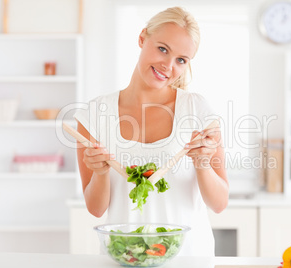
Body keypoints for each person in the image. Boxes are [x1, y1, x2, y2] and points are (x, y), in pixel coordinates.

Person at [73, 6, 228, 256]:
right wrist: (100, 173)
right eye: (162, 49)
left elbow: (219, 204)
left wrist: (203, 164)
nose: (168, 65)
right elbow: (96, 208)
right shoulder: (95, 114)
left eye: (181, 60)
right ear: (142, 38)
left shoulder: (199, 110)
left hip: (188, 257)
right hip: (125, 257)